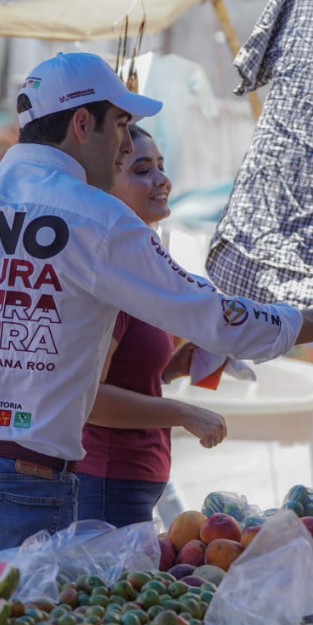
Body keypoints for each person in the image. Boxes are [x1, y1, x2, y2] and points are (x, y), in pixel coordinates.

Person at [0, 52, 313, 570]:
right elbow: (216, 319)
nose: (123, 143)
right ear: (80, 123)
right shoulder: (99, 219)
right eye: (120, 124)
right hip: (18, 483)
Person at [77, 126, 227, 527]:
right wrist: (183, 413)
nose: (162, 179)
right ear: (106, 189)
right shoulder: (115, 274)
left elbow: (120, 372)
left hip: (133, 477)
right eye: (142, 170)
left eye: (160, 166)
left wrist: (172, 368)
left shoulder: (145, 265)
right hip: (105, 478)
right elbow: (89, 398)